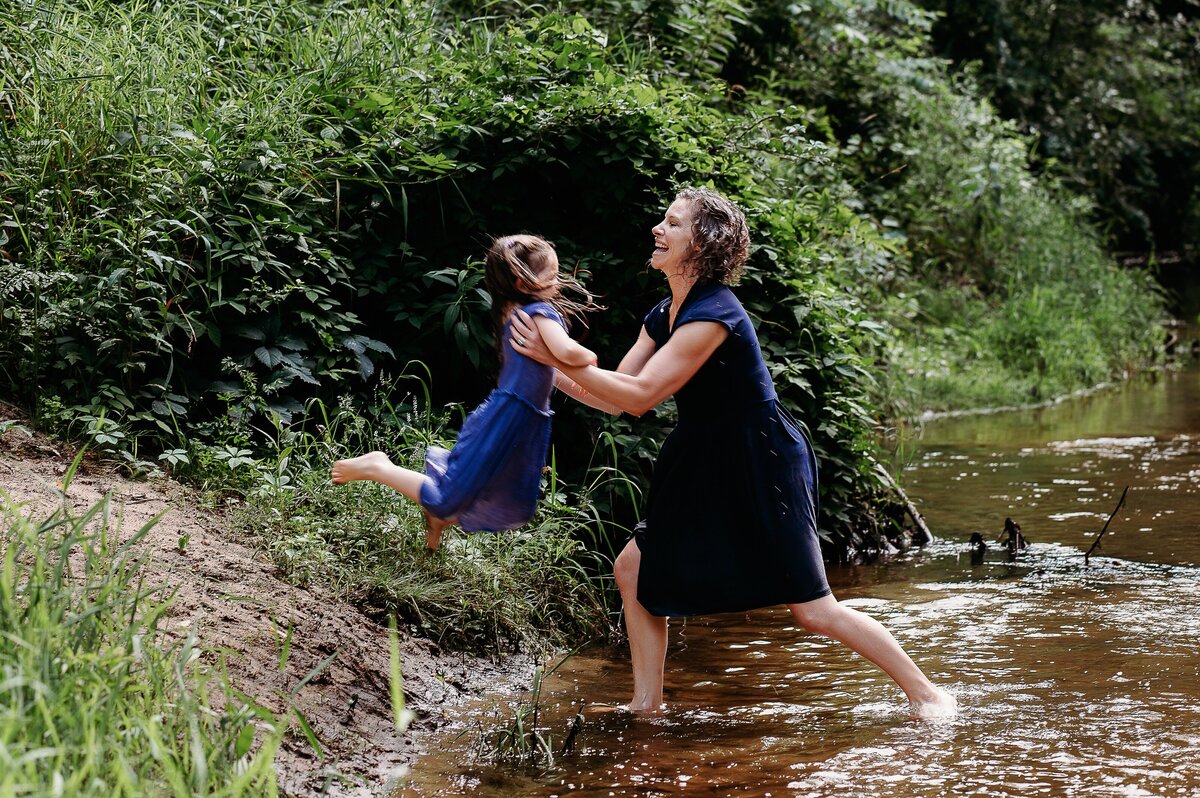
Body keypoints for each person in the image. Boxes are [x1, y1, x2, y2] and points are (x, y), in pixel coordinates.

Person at [509, 188, 957, 718]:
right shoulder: (663, 313)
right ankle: (646, 705)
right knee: (633, 569)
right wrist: (544, 368)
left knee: (813, 610)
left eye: (672, 224)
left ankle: (928, 695)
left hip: (759, 458)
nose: (658, 228)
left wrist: (551, 355)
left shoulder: (714, 313)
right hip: (701, 456)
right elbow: (618, 398)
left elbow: (643, 394)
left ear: (702, 244)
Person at [331, 234, 619, 549]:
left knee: (503, 496)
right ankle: (379, 468)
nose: (558, 285)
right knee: (454, 497)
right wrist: (587, 358)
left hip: (522, 421)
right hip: (509, 418)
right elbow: (568, 353)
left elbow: (546, 370)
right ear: (523, 285)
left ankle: (438, 519)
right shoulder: (539, 313)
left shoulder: (515, 313)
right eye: (551, 277)